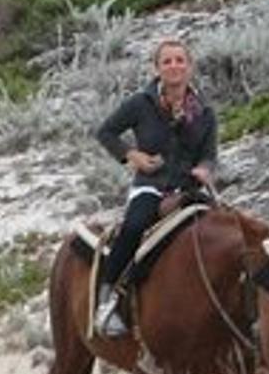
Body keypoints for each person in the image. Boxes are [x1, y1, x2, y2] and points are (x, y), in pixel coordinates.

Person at [90, 37, 217, 338]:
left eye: (180, 60)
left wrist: (205, 169)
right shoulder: (140, 104)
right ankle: (106, 299)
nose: (174, 66)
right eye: (167, 61)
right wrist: (131, 155)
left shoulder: (205, 111)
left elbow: (210, 154)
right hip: (150, 186)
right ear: (157, 68)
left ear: (190, 66)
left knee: (222, 232)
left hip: (186, 188)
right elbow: (105, 132)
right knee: (133, 227)